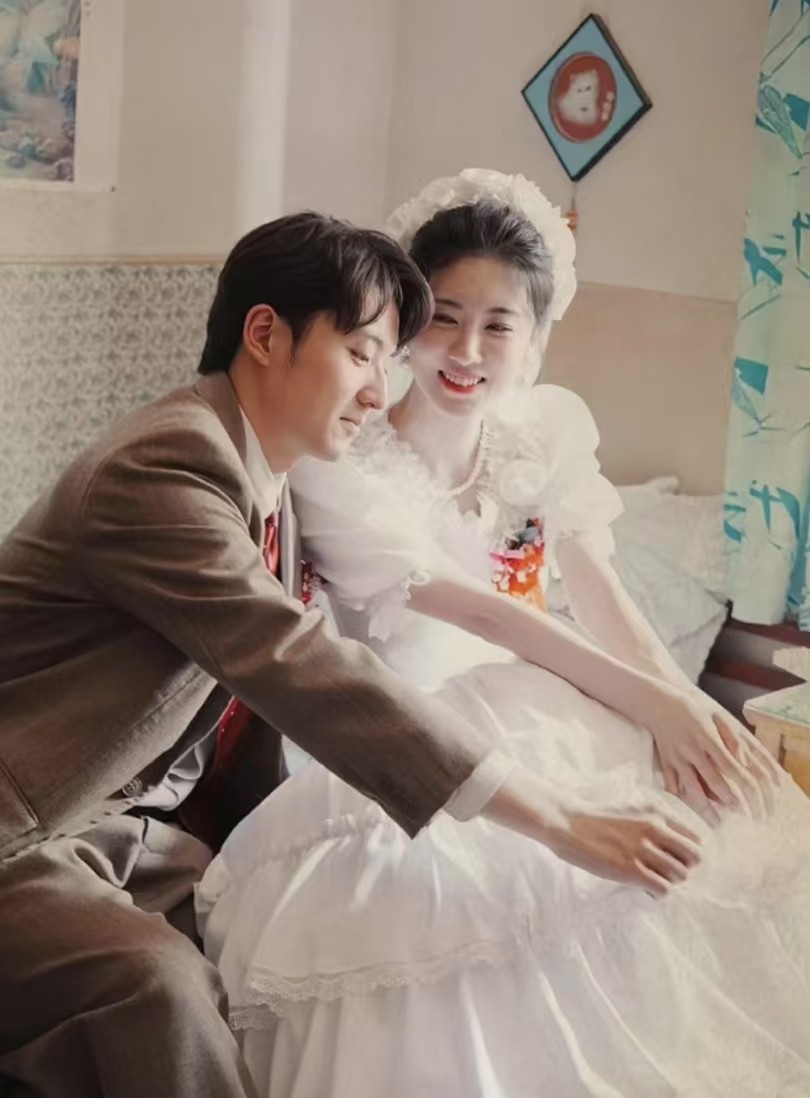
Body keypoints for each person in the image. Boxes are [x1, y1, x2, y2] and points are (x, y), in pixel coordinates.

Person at [0, 210, 702, 1098]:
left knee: (303, 943)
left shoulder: (266, 477)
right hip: (25, 831)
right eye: (363, 353)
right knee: (162, 990)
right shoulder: (167, 468)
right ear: (265, 335)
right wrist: (560, 821)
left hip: (133, 831)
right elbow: (298, 663)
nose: (377, 392)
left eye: (385, 360)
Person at [198, 171, 810, 1098]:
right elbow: (489, 614)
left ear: (537, 338)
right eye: (444, 318)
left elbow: (597, 593)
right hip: (394, 729)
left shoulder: (545, 429)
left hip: (533, 697)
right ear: (404, 321)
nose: (467, 352)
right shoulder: (340, 452)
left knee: (703, 821)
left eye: (499, 326)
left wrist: (681, 705)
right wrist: (653, 702)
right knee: (463, 913)